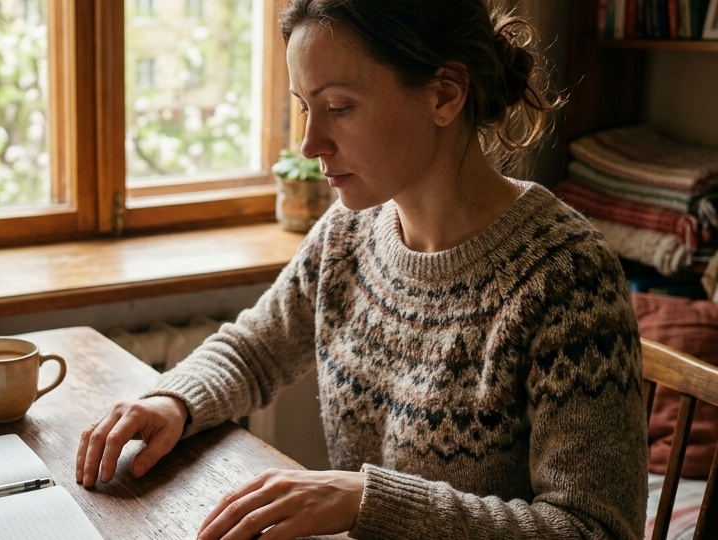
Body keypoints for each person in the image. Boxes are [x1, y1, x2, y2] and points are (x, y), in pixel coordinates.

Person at [76, 0, 648, 538]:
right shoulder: (349, 233)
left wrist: (367, 501)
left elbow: (593, 529)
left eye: (339, 108)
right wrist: (173, 402)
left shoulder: (567, 276)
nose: (309, 144)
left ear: (444, 95)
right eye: (305, 107)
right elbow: (256, 349)